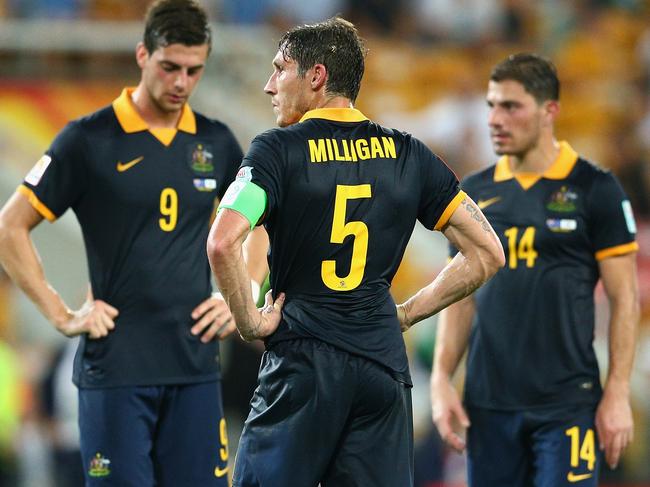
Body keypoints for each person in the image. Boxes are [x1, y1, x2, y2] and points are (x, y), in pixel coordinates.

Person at [207, 17, 505, 487]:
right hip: (382, 369)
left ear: (317, 76)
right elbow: (488, 253)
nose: (268, 85)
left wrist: (248, 320)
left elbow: (222, 241)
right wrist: (405, 313)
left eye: (280, 69)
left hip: (302, 366)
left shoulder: (276, 151)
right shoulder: (410, 154)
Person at [0, 1, 267, 485]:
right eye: (170, 67)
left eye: (194, 70)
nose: (182, 82)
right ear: (143, 55)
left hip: (195, 367)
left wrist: (243, 292)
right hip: (115, 369)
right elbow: (9, 228)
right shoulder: (87, 140)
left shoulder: (217, 142)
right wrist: (60, 313)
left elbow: (261, 223)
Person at [430, 53, 640, 487]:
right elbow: (459, 292)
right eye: (491, 105)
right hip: (488, 404)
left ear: (550, 112)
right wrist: (441, 379)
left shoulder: (594, 189)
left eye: (511, 106)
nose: (495, 119)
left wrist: (617, 392)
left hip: (566, 405)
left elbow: (625, 298)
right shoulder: (474, 191)